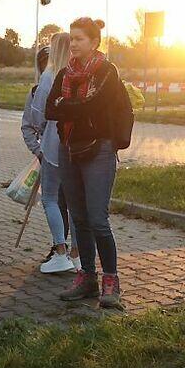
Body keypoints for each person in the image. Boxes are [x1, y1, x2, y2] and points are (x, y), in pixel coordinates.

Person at [44, 17, 125, 308]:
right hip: (68, 149)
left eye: (79, 39)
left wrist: (65, 106)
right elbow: (49, 109)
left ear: (94, 42)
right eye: (72, 38)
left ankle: (111, 281)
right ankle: (87, 277)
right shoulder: (64, 73)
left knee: (97, 219)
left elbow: (95, 106)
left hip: (99, 149)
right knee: (78, 218)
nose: (73, 44)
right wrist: (71, 107)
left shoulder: (106, 71)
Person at [22, 36, 75, 274]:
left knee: (50, 199)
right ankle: (77, 255)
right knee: (74, 203)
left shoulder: (49, 75)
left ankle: (60, 251)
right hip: (77, 145)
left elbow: (38, 115)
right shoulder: (79, 73)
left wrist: (41, 136)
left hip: (54, 145)